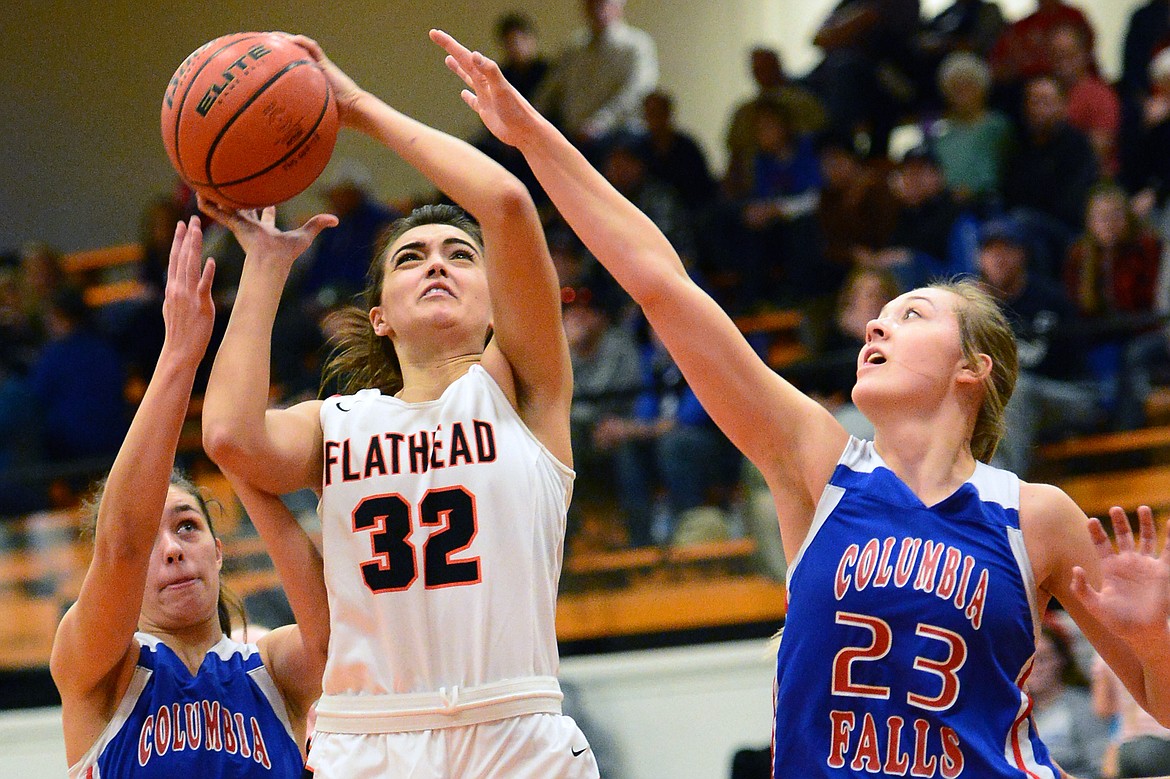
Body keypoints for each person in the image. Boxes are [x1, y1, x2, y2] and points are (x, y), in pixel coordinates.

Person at [432, 29, 1170, 777]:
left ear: (972, 368)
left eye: (912, 314)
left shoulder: (1033, 515)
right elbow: (660, 282)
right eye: (880, 315)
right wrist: (533, 136)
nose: (878, 322)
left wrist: (1154, 644)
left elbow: (1161, 699)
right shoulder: (816, 462)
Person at [200, 33, 598, 779]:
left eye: (460, 252)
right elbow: (228, 433)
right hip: (370, 735)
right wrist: (263, 264)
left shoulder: (523, 392)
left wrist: (356, 109)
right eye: (411, 258)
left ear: (494, 304)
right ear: (379, 313)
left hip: (513, 723)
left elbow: (508, 203)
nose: (437, 262)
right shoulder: (338, 423)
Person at [50, 216, 329, 777]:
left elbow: (337, 639)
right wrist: (179, 353)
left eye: (186, 527)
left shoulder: (273, 669)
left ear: (219, 550)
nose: (172, 550)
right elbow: (123, 544)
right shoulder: (101, 671)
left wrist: (266, 266)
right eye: (155, 537)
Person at [535, 0, 658, 150]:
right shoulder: (575, 46)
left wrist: (600, 123)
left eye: (603, 3)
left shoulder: (637, 45)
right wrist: (527, 121)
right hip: (574, 136)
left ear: (619, 5)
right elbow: (550, 88)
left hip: (619, 138)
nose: (597, 9)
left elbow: (637, 92)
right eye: (591, 3)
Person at [1028, 617, 1111, 778]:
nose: (1036, 669)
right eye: (1029, 663)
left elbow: (1102, 769)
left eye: (1043, 660)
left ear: (1062, 660)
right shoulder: (1014, 710)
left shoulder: (1083, 706)